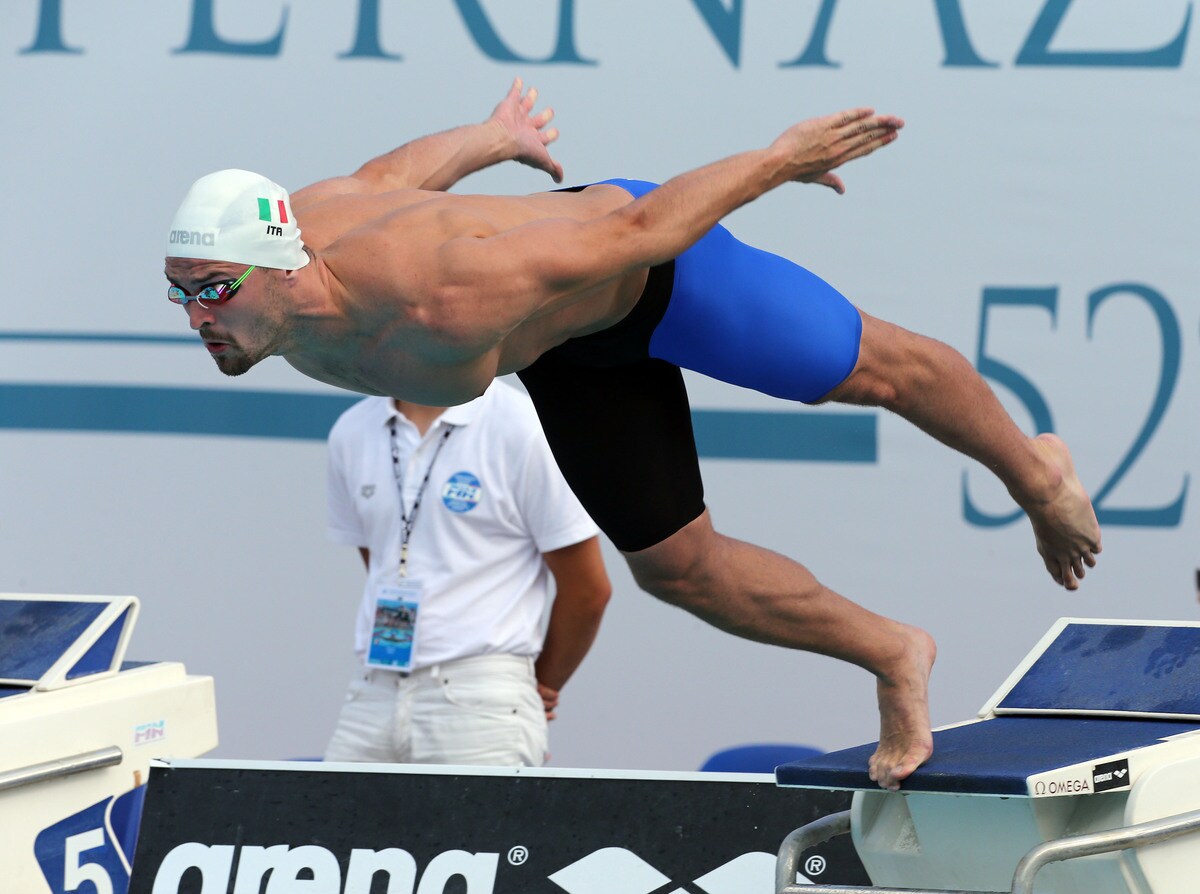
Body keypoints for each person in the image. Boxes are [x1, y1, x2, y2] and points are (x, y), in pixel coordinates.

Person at [163, 79, 1102, 791]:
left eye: (212, 290)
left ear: (281, 265)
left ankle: (1036, 476)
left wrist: (777, 160)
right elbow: (390, 177)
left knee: (876, 370)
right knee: (679, 569)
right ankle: (897, 651)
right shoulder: (288, 287)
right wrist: (496, 136)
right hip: (566, 350)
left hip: (658, 272)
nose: (198, 316)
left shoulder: (446, 290)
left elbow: (646, 226)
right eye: (183, 294)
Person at [322, 379, 611, 766]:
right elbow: (382, 562)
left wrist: (535, 686)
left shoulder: (525, 424)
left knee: (480, 829)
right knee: (333, 824)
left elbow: (588, 591)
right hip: (372, 690)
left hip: (481, 696)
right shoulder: (352, 429)